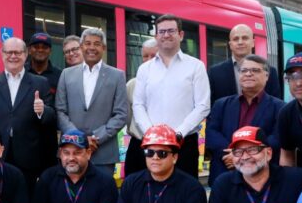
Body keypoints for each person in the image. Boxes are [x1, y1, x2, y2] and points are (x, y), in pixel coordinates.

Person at [0, 37, 57, 192]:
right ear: (2, 54)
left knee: (25, 198)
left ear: (25, 54)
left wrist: (42, 110)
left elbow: (52, 117)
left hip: (28, 156)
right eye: (9, 52)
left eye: (17, 52)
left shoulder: (40, 82)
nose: (13, 56)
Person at [132, 15, 210, 178]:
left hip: (184, 143)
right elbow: (138, 104)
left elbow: (203, 106)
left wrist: (178, 133)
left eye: (171, 31)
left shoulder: (196, 66)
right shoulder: (144, 69)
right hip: (151, 144)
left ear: (180, 35)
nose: (166, 35)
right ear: (156, 36)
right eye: (162, 32)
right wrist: (151, 133)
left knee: (184, 189)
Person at [55, 27, 128, 180]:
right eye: (88, 43)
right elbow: (60, 110)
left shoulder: (117, 76)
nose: (92, 47)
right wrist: (77, 138)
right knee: (70, 193)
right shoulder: (66, 75)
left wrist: (96, 137)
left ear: (104, 48)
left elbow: (121, 114)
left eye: (97, 44)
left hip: (103, 152)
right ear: (81, 47)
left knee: (102, 194)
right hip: (70, 152)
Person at [204, 54, 283, 186]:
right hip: (225, 171)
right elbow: (211, 133)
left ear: (267, 76)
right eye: (244, 70)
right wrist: (235, 155)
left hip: (262, 175)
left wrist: (246, 154)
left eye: (255, 70)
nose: (248, 74)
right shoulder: (221, 104)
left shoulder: (280, 107)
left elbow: (276, 138)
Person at [207, 23, 281, 103]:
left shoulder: (270, 71)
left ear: (253, 43)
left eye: (245, 38)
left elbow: (276, 104)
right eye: (236, 39)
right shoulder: (215, 72)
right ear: (230, 45)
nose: (240, 42)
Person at [123, 38, 158, 176]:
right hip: (137, 145)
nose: (149, 60)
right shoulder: (132, 85)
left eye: (153, 56)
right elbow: (128, 116)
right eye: (145, 56)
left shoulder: (172, 84)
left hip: (162, 146)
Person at [26, 32, 63, 97]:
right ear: (29, 50)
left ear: (50, 51)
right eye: (36, 47)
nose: (40, 50)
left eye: (45, 47)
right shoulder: (21, 71)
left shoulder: (60, 75)